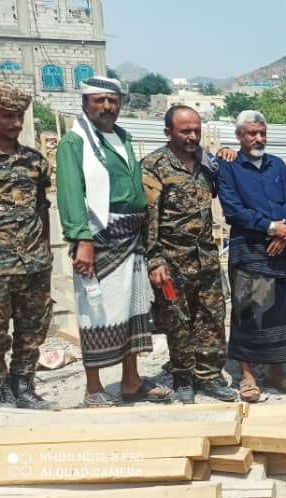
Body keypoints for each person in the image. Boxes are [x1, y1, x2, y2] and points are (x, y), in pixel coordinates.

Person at [56, 76, 173, 407]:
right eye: (100, 100)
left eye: (113, 100)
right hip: (99, 238)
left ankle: (131, 381)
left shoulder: (122, 137)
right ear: (85, 103)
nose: (107, 106)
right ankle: (93, 389)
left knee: (132, 310)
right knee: (95, 312)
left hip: (131, 238)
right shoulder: (74, 143)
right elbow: (70, 194)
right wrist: (82, 239)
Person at [141, 105, 236, 404]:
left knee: (212, 316)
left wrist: (228, 155)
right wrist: (155, 260)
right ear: (168, 132)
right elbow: (149, 217)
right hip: (173, 260)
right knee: (177, 320)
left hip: (206, 256)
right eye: (185, 131)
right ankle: (183, 377)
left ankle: (210, 376)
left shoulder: (206, 163)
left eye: (196, 130)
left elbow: (224, 183)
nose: (192, 136)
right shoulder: (154, 166)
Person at [217, 110, 286, 403]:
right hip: (250, 249)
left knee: (279, 311)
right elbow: (232, 209)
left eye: (262, 133)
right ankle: (248, 376)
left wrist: (285, 231)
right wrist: (271, 227)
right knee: (249, 313)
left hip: (282, 249)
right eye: (252, 133)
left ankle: (276, 371)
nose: (258, 138)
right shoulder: (228, 165)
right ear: (239, 136)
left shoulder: (277, 164)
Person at [0, 82, 55, 409]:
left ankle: (24, 385)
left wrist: (45, 253)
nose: (16, 123)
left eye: (20, 117)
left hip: (34, 263)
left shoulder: (34, 161)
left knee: (33, 330)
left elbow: (41, 208)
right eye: (7, 116)